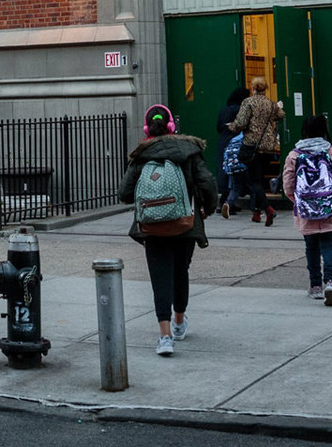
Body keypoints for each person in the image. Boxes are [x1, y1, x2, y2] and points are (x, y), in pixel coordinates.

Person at [118, 104, 219, 356]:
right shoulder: (189, 150)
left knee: (160, 277)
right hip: (185, 224)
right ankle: (178, 322)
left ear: (147, 127)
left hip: (153, 227)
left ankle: (164, 337)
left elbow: (124, 193)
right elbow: (207, 181)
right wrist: (207, 208)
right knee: (180, 272)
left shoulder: (141, 155)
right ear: (172, 126)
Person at [281, 114, 332, 305]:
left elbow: (288, 185)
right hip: (330, 211)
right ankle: (330, 282)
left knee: (311, 247)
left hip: (306, 212)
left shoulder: (294, 155)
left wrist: (300, 201)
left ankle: (315, 286)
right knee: (329, 246)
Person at [229, 76, 286, 226]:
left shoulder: (248, 102)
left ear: (253, 88)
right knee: (260, 179)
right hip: (268, 145)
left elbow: (240, 122)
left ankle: (268, 209)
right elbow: (281, 115)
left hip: (252, 145)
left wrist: (231, 126)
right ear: (265, 88)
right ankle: (256, 212)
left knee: (254, 180)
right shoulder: (270, 103)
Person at [214, 85, 251, 218]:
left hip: (223, 141)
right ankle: (229, 202)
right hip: (236, 142)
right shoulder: (240, 109)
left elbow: (218, 127)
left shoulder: (224, 109)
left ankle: (225, 201)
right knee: (236, 174)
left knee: (226, 172)